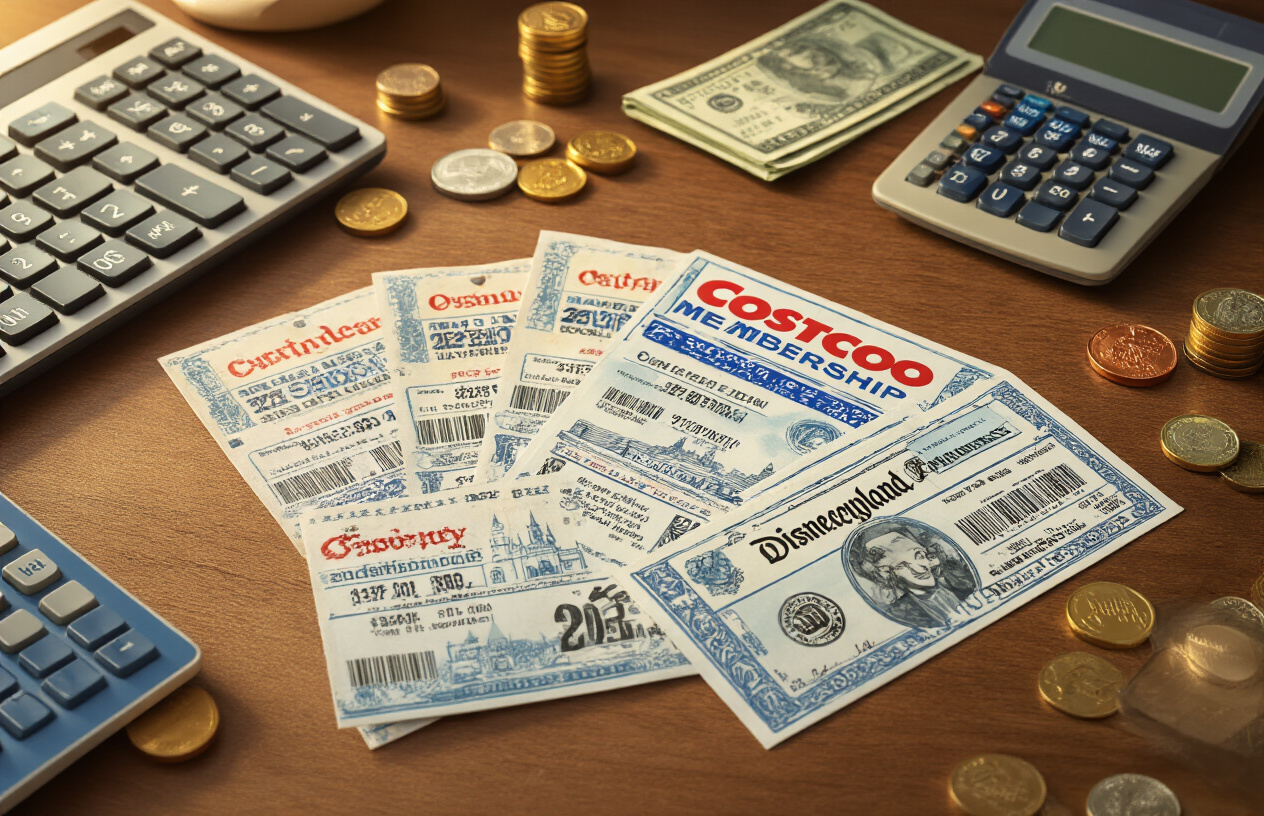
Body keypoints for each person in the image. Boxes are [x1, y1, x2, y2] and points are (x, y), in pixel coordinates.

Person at [853, 525, 973, 628]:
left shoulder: (960, 585)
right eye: (901, 566)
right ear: (886, 572)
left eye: (920, 555)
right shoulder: (900, 612)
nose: (923, 566)